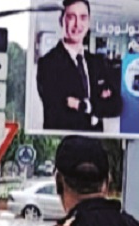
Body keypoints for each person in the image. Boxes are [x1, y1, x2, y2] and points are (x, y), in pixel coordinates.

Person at [36, 0, 122, 132]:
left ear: (88, 22)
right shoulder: (48, 64)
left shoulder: (97, 62)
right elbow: (58, 111)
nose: (77, 24)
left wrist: (84, 105)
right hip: (66, 142)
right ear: (61, 21)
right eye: (71, 17)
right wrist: (99, 103)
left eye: (83, 17)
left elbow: (116, 105)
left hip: (95, 143)